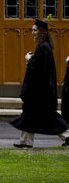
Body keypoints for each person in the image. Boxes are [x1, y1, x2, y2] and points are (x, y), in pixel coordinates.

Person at [10, 19, 69, 148]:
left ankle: (68, 136)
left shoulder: (44, 48)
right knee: (29, 115)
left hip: (41, 91)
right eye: (32, 30)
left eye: (35, 30)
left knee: (49, 116)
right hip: (40, 90)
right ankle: (25, 141)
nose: (32, 32)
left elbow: (39, 69)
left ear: (41, 31)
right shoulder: (44, 47)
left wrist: (29, 59)